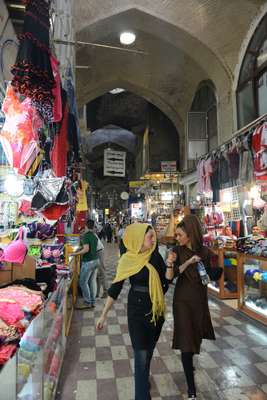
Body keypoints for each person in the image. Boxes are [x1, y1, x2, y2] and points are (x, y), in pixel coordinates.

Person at [96, 223, 174, 400]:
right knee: (141, 354)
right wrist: (103, 315)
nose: (153, 240)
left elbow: (166, 283)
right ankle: (141, 395)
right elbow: (115, 288)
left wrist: (169, 265)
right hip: (137, 311)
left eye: (153, 236)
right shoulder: (127, 259)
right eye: (150, 237)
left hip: (156, 310)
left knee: (149, 350)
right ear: (138, 238)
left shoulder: (155, 257)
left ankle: (143, 378)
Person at [165, 215, 215, 400]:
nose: (176, 238)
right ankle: (191, 390)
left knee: (195, 336)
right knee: (186, 342)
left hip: (199, 300)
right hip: (183, 301)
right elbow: (170, 278)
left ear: (190, 234)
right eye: (176, 235)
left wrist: (212, 275)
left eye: (179, 234)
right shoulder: (176, 251)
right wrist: (179, 262)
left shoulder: (205, 251)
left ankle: (189, 361)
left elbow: (208, 274)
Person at [71, 219, 99, 309]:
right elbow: (90, 248)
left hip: (88, 262)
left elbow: (86, 249)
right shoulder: (94, 235)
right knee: (91, 282)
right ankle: (92, 302)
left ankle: (87, 302)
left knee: (83, 282)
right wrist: (80, 249)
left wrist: (75, 253)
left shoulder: (86, 236)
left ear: (86, 226)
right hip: (95, 261)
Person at [95, 233, 108, 298]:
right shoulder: (89, 233)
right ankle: (97, 292)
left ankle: (106, 291)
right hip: (97, 251)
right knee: (97, 273)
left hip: (99, 252)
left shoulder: (90, 234)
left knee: (102, 272)